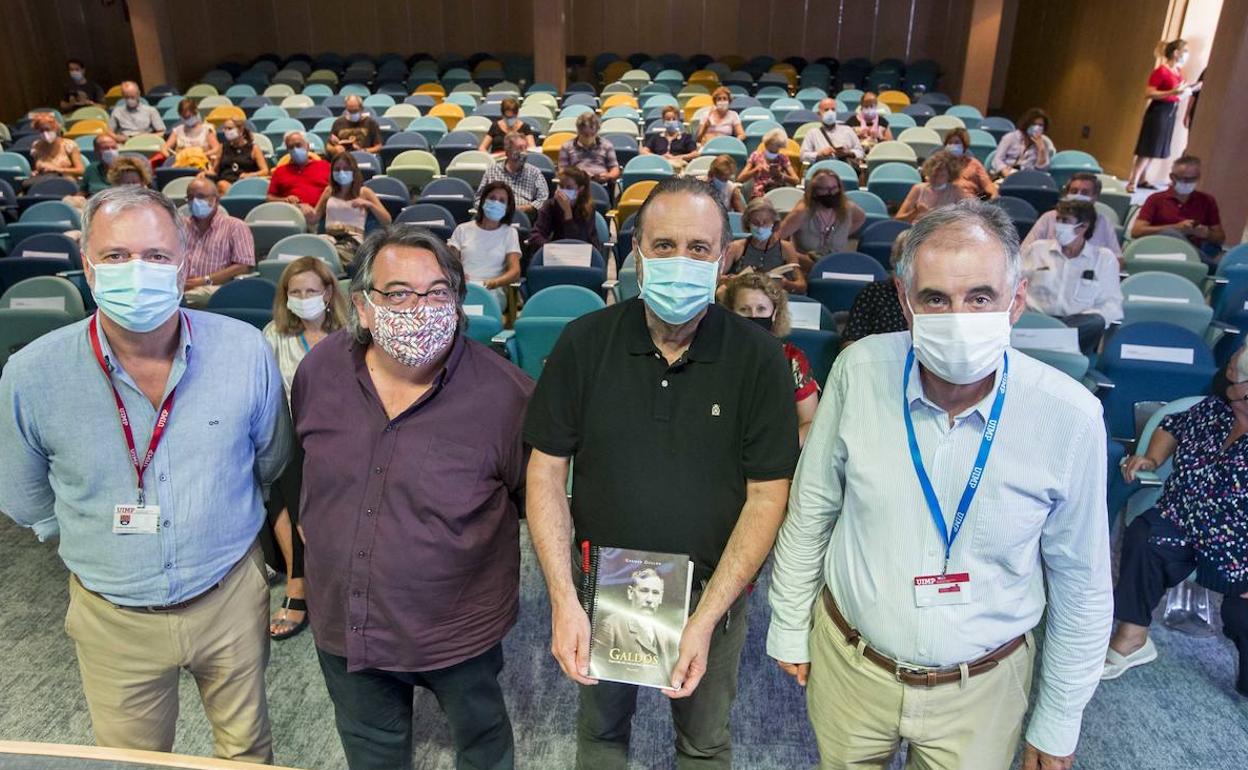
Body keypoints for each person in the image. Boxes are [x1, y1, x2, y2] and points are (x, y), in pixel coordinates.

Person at [768, 199, 1112, 770]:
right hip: (853, 665)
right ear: (906, 303)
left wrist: (1059, 717)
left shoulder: (1070, 416)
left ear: (1016, 303)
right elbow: (813, 508)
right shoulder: (858, 369)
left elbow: (1083, 581)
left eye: (980, 297)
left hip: (983, 687)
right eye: (936, 299)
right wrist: (786, 623)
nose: (959, 316)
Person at [0, 185, 290, 762]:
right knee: (132, 760)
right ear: (87, 264)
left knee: (247, 751)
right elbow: (26, 498)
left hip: (229, 593)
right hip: (113, 614)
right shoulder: (31, 375)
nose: (138, 271)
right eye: (115, 256)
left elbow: (269, 461)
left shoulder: (244, 351)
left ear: (184, 265)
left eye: (157, 257)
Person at [525, 176, 798, 769]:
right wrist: (562, 599)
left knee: (702, 743)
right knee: (600, 734)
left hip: (711, 590)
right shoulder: (583, 342)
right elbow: (545, 473)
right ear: (636, 255)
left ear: (723, 258)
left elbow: (767, 494)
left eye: (698, 248)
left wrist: (705, 618)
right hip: (602, 584)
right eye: (664, 245)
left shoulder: (761, 359)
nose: (681, 260)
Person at [292, 224, 533, 770]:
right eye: (398, 292)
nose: (418, 307)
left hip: (458, 626)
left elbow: (531, 507)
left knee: (482, 742)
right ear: (363, 305)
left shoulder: (507, 395)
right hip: (347, 618)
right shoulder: (321, 369)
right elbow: (305, 471)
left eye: (437, 292)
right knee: (371, 746)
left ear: (458, 301)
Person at [1104, 349, 1248, 696]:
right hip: (1183, 519)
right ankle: (1133, 636)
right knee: (1146, 533)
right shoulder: (1212, 411)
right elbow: (1171, 424)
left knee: (1240, 614)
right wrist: (1152, 456)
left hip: (1239, 546)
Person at [261, 257, 348, 641]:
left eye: (311, 291)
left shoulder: (354, 331)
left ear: (328, 293)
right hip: (293, 432)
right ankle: (302, 580)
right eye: (294, 292)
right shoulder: (273, 335)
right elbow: (266, 397)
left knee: (287, 469)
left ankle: (300, 585)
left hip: (348, 436)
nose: (303, 298)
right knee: (281, 463)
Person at [723, 272, 820, 445]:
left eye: (761, 309)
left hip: (778, 455)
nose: (754, 316)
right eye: (744, 310)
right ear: (730, 313)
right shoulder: (716, 355)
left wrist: (779, 451)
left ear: (774, 314)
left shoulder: (792, 359)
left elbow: (809, 423)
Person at [1022, 199, 1123, 354]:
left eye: (1065, 221)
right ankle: (1053, 344)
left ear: (1083, 226)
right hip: (1038, 320)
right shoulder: (1037, 249)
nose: (1058, 225)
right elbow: (1014, 286)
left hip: (1077, 327)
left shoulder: (1104, 258)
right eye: (1058, 219)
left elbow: (1112, 305)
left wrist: (1068, 327)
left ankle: (1050, 343)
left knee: (1095, 322)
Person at [1131, 155, 1225, 262]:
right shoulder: (1156, 199)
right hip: (1160, 251)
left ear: (1198, 177)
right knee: (1171, 234)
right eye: (1183, 179)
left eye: (1192, 179)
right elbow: (1136, 231)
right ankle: (1205, 263)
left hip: (1193, 254)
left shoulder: (1207, 200)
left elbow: (1220, 237)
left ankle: (1200, 260)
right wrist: (1176, 228)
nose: (1187, 182)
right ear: (1172, 177)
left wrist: (1205, 233)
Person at [180, 177, 257, 308]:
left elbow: (244, 265)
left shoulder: (235, 226)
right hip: (179, 285)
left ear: (216, 199)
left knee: (183, 299)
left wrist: (204, 280)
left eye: (201, 196)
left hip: (214, 287)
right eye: (190, 197)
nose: (195, 202)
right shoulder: (180, 226)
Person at [1128, 39, 1191, 193]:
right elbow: (1149, 93)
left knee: (1155, 149)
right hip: (1158, 112)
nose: (1187, 55)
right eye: (1185, 51)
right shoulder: (1161, 71)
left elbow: (1178, 92)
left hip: (1170, 111)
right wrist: (1172, 92)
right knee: (1147, 148)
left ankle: (1142, 179)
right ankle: (1133, 181)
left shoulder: (1178, 72)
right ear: (1176, 53)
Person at [594, 569, 679, 679]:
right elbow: (597, 670)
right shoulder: (611, 626)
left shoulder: (664, 631)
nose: (649, 599)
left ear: (660, 598)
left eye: (655, 593)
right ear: (630, 592)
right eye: (644, 591)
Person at [448, 181, 522, 308]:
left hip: (493, 289)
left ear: (508, 207)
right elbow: (449, 263)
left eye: (502, 200)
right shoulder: (462, 229)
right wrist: (458, 278)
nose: (496, 203)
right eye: (492, 198)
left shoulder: (509, 233)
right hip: (463, 286)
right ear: (483, 201)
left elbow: (515, 271)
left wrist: (493, 283)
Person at [777, 169, 866, 272]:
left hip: (836, 266)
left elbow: (860, 218)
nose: (831, 193)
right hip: (806, 269)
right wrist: (795, 257)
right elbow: (776, 241)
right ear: (814, 191)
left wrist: (843, 232)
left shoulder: (847, 208)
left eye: (834, 188)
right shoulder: (802, 212)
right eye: (825, 189)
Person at [313, 152, 392, 268]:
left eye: (345, 169)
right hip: (329, 237)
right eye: (337, 169)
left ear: (353, 171)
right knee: (312, 252)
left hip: (352, 240)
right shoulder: (328, 191)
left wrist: (369, 204)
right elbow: (314, 217)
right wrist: (304, 210)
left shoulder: (364, 192)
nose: (341, 172)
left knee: (331, 256)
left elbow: (387, 220)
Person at [1021, 172, 1121, 261]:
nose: (1078, 195)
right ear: (1067, 194)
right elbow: (1024, 251)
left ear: (1095, 196)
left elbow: (1118, 260)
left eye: (1085, 192)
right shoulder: (1048, 217)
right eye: (1074, 191)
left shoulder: (1104, 223)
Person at [720, 197, 805, 295]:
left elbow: (802, 286)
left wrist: (786, 284)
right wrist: (732, 280)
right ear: (748, 224)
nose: (760, 227)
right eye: (755, 223)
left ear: (774, 223)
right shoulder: (737, 247)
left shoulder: (786, 248)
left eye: (765, 222)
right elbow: (716, 278)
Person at [841, 231, 910, 348]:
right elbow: (850, 342)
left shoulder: (937, 298)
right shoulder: (874, 293)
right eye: (906, 258)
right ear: (895, 261)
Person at [530, 166, 602, 252]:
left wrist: (568, 213)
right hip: (555, 252)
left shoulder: (587, 208)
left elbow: (578, 241)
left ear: (580, 189)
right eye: (561, 186)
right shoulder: (550, 205)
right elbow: (536, 234)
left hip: (583, 253)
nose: (563, 191)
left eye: (569, 187)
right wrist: (551, 248)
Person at [267, 131, 331, 227]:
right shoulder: (280, 171)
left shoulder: (325, 166)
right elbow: (269, 198)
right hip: (292, 218)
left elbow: (335, 190)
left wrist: (317, 211)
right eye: (291, 147)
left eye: (298, 145)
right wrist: (285, 199)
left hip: (323, 217)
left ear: (308, 146)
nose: (295, 150)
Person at [478, 131, 549, 217]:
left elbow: (544, 198)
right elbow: (478, 199)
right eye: (519, 148)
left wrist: (528, 208)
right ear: (507, 152)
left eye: (525, 148)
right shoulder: (492, 171)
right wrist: (493, 208)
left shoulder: (534, 172)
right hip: (496, 216)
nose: (524, 153)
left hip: (525, 217)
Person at [895, 150, 969, 223]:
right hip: (918, 230)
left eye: (940, 173)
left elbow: (968, 217)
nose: (935, 176)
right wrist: (915, 213)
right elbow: (898, 219)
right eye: (932, 172)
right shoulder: (918, 189)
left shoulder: (956, 191)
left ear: (950, 175)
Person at [558, 112, 621, 187]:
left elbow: (615, 168)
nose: (589, 138)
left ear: (597, 131)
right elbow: (562, 170)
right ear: (578, 131)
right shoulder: (567, 147)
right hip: (577, 185)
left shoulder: (607, 145)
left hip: (601, 184)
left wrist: (608, 176)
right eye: (585, 135)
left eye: (592, 134)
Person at [799, 97, 864, 167]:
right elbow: (803, 156)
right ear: (819, 114)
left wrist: (849, 153)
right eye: (826, 110)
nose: (830, 112)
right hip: (822, 169)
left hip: (844, 167)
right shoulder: (812, 133)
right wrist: (819, 154)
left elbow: (861, 152)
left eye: (833, 109)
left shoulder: (848, 130)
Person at [211, 119, 269, 194]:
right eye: (225, 129)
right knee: (221, 185)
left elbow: (265, 171)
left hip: (245, 184)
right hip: (225, 182)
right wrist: (204, 173)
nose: (226, 131)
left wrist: (250, 175)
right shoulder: (222, 147)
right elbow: (214, 170)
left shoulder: (253, 148)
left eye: (230, 128)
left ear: (240, 130)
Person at [992, 108, 1054, 177]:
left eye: (1040, 125)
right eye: (1034, 124)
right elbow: (997, 159)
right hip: (1008, 174)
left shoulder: (1045, 142)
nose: (1037, 127)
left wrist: (1041, 150)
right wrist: (1004, 170)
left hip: (1030, 177)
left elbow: (1042, 170)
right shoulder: (1010, 138)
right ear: (1027, 124)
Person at [738, 128, 798, 199]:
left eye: (775, 151)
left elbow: (796, 180)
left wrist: (781, 175)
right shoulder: (755, 155)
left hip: (778, 193)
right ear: (766, 144)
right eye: (770, 150)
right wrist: (756, 169)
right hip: (759, 194)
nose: (773, 153)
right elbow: (740, 178)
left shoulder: (783, 158)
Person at [161, 98, 220, 169]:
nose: (186, 119)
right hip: (181, 165)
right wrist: (172, 157)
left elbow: (217, 148)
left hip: (202, 165)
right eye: (184, 117)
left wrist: (200, 155)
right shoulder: (177, 130)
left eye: (188, 117)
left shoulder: (207, 129)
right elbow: (164, 148)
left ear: (195, 112)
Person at [28, 112, 85, 182]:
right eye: (42, 131)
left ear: (56, 129)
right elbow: (37, 168)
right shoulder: (36, 146)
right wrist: (36, 172)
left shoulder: (69, 145)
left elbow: (81, 171)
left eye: (48, 130)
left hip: (67, 182)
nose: (45, 133)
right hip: (44, 182)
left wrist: (57, 169)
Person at [943, 127, 997, 199]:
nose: (952, 146)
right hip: (946, 201)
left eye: (956, 143)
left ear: (964, 145)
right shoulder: (941, 164)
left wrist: (994, 197)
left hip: (969, 202)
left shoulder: (974, 164)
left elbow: (988, 185)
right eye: (949, 143)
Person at [642, 105, 697, 169]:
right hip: (660, 166)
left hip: (679, 166)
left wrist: (678, 157)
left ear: (678, 120)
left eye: (674, 119)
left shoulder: (686, 137)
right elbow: (644, 151)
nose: (671, 121)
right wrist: (659, 157)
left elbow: (695, 154)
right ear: (663, 120)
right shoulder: (656, 137)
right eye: (668, 119)